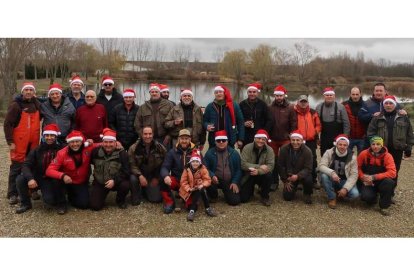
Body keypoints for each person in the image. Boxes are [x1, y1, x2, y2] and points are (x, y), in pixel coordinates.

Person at [4, 82, 41, 204]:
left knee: (32, 165)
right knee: (16, 167)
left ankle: (32, 190)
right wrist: (10, 141)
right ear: (22, 92)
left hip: (33, 142)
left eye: (31, 90)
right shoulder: (16, 105)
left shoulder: (36, 104)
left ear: (34, 92)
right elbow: (7, 124)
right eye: (26, 90)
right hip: (19, 142)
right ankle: (12, 193)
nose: (29, 92)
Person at [15, 124, 64, 214]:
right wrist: (30, 178)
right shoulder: (36, 150)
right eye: (47, 135)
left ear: (56, 136)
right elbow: (26, 165)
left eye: (52, 135)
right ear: (43, 136)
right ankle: (25, 203)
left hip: (51, 179)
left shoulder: (61, 149)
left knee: (50, 201)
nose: (49, 138)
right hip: (37, 176)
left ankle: (61, 203)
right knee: (20, 179)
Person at [46, 130, 97, 214]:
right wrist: (63, 175)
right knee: (56, 181)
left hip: (80, 182)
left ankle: (71, 195)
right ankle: (61, 204)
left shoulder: (88, 148)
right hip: (66, 181)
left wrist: (116, 143)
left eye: (77, 141)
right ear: (68, 143)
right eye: (72, 142)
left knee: (84, 204)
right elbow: (49, 170)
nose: (75, 144)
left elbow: (102, 144)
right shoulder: (61, 153)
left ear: (82, 142)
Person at [366, 95, 414, 183]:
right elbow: (370, 133)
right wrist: (375, 146)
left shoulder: (403, 117)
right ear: (383, 105)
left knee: (394, 170)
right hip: (382, 150)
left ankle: (391, 190)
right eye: (386, 103)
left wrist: (409, 147)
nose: (388, 105)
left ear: (395, 105)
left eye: (390, 103)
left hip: (397, 149)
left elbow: (409, 134)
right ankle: (381, 189)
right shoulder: (377, 117)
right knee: (381, 169)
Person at [89, 128, 130, 210]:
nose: (108, 145)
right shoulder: (95, 152)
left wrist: (114, 180)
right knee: (95, 206)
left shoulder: (122, 154)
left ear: (115, 143)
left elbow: (126, 171)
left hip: (116, 182)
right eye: (106, 142)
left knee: (125, 185)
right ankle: (100, 196)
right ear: (102, 143)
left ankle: (120, 200)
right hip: (100, 182)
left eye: (111, 142)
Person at [160, 129, 197, 213]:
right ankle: (169, 202)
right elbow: (164, 167)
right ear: (178, 139)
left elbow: (203, 167)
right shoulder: (172, 152)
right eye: (182, 138)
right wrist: (166, 175)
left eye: (186, 138)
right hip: (177, 181)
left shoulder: (196, 151)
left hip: (190, 184)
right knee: (163, 179)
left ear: (190, 139)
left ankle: (187, 199)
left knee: (191, 207)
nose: (184, 141)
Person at [357, 136, 397, 216]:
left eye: (378, 144)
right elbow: (357, 168)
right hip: (368, 181)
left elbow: (393, 173)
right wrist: (362, 177)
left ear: (382, 145)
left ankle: (384, 206)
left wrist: (374, 177)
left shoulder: (387, 156)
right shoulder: (363, 154)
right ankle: (374, 197)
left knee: (389, 182)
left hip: (381, 181)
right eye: (373, 144)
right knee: (367, 198)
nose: (375, 146)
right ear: (370, 145)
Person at [268, 85, 297, 191]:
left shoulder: (290, 107)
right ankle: (274, 181)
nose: (279, 97)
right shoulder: (270, 107)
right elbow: (268, 121)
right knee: (274, 161)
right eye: (277, 95)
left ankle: (288, 181)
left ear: (284, 95)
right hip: (273, 139)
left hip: (285, 138)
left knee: (286, 160)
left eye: (280, 95)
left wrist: (292, 135)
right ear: (274, 96)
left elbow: (294, 123)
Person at [318, 134, 360, 209]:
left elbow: (354, 175)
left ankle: (340, 192)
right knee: (324, 176)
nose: (342, 147)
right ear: (336, 144)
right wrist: (332, 173)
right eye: (340, 144)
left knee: (355, 194)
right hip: (331, 178)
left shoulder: (353, 157)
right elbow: (321, 166)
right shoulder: (329, 152)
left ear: (347, 146)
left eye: (345, 145)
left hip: (344, 180)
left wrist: (345, 188)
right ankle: (332, 198)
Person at [129, 126, 167, 205]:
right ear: (141, 135)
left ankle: (145, 190)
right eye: (145, 134)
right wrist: (140, 175)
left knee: (156, 199)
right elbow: (132, 165)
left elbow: (165, 164)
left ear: (153, 135)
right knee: (132, 178)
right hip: (139, 174)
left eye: (150, 134)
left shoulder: (160, 147)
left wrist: (157, 177)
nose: (148, 136)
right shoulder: (133, 148)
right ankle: (136, 196)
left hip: (152, 175)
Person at [204, 130, 242, 206]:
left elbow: (238, 170)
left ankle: (227, 193)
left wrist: (235, 181)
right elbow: (204, 168)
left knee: (235, 201)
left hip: (229, 181)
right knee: (208, 180)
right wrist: (212, 175)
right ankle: (213, 196)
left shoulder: (234, 153)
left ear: (227, 141)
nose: (221, 142)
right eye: (218, 140)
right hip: (215, 179)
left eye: (223, 140)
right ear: (215, 142)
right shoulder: (209, 153)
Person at [203, 84, 245, 149]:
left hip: (229, 140)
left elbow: (241, 122)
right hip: (214, 141)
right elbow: (204, 121)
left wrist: (240, 139)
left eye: (220, 92)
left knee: (229, 158)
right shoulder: (209, 106)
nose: (218, 94)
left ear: (224, 93)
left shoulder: (234, 106)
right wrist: (207, 126)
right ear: (214, 94)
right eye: (216, 92)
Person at [240, 129, 275, 206]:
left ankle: (265, 196)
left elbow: (271, 166)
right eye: (259, 138)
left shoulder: (269, 150)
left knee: (269, 175)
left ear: (266, 140)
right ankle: (250, 190)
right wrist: (259, 166)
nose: (260, 141)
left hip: (261, 174)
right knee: (243, 199)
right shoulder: (247, 147)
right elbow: (243, 164)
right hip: (249, 174)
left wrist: (258, 171)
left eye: (263, 139)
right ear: (255, 138)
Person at [179, 150, 216, 222]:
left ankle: (198, 210)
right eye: (193, 161)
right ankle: (204, 208)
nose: (195, 163)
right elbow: (183, 182)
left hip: (199, 188)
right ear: (190, 162)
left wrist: (202, 185)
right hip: (188, 191)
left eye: (197, 162)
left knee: (200, 190)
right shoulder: (186, 169)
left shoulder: (203, 169)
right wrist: (189, 189)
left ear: (200, 163)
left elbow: (208, 180)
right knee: (191, 202)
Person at [278, 130, 313, 204]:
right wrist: (285, 180)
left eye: (298, 140)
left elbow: (308, 168)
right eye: (293, 140)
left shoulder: (307, 151)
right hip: (289, 176)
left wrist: (298, 176)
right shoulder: (284, 149)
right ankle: (295, 187)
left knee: (309, 179)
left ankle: (307, 193)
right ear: (290, 140)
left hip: (302, 174)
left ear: (302, 141)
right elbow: (281, 166)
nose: (295, 142)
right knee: (287, 197)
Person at [294, 94, 321, 187]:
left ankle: (313, 180)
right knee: (298, 160)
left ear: (308, 102)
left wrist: (315, 132)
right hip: (297, 141)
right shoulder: (294, 112)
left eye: (305, 101)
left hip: (310, 140)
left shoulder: (313, 112)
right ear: (298, 102)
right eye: (301, 101)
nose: (303, 103)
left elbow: (318, 125)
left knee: (313, 160)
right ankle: (299, 181)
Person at [316, 87, 350, 156]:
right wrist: (317, 138)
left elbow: (346, 123)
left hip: (338, 138)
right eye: (327, 95)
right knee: (324, 156)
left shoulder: (341, 107)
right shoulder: (319, 107)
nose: (329, 97)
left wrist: (345, 137)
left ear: (334, 96)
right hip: (324, 138)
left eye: (331, 95)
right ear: (324, 96)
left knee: (337, 157)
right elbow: (316, 124)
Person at [239, 82, 272, 148]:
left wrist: (264, 132)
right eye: (250, 92)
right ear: (247, 92)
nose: (252, 94)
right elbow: (238, 119)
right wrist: (244, 123)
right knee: (246, 155)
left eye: (254, 92)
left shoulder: (263, 104)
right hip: (246, 135)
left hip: (259, 136)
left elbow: (269, 120)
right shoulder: (242, 104)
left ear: (257, 93)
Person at [342, 87, 366, 154]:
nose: (355, 96)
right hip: (349, 137)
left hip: (362, 137)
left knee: (361, 158)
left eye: (357, 94)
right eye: (353, 94)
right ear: (350, 94)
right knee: (347, 157)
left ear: (360, 94)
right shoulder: (343, 105)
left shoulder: (366, 105)